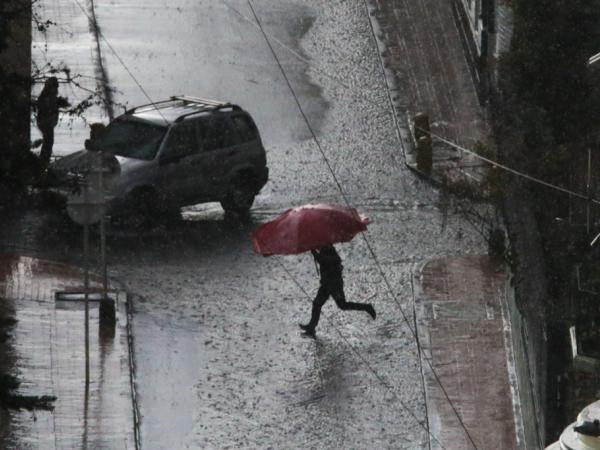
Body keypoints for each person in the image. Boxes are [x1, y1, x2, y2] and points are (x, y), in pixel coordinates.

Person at [300, 245, 376, 337]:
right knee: (317, 304)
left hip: (334, 284)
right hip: (327, 284)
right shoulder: (325, 249)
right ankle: (311, 328)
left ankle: (367, 307)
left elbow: (325, 262)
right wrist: (315, 253)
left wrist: (314, 253)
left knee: (342, 305)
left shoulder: (328, 250)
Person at [36, 77, 69, 167]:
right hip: (45, 123)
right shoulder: (46, 97)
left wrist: (60, 103)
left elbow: (53, 105)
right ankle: (43, 162)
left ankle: (44, 161)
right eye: (54, 86)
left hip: (48, 123)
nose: (56, 89)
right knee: (48, 142)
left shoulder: (51, 96)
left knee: (48, 142)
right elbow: (46, 108)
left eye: (56, 87)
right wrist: (53, 109)